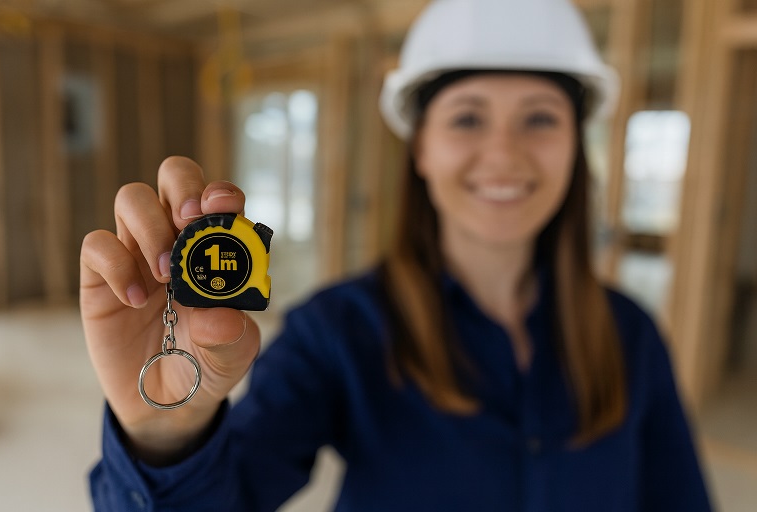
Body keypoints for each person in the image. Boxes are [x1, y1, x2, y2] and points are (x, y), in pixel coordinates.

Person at [80, 0, 713, 510]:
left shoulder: (632, 336)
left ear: (576, 145)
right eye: (467, 118)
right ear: (421, 150)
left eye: (540, 118)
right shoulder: (338, 332)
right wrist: (164, 437)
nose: (504, 153)